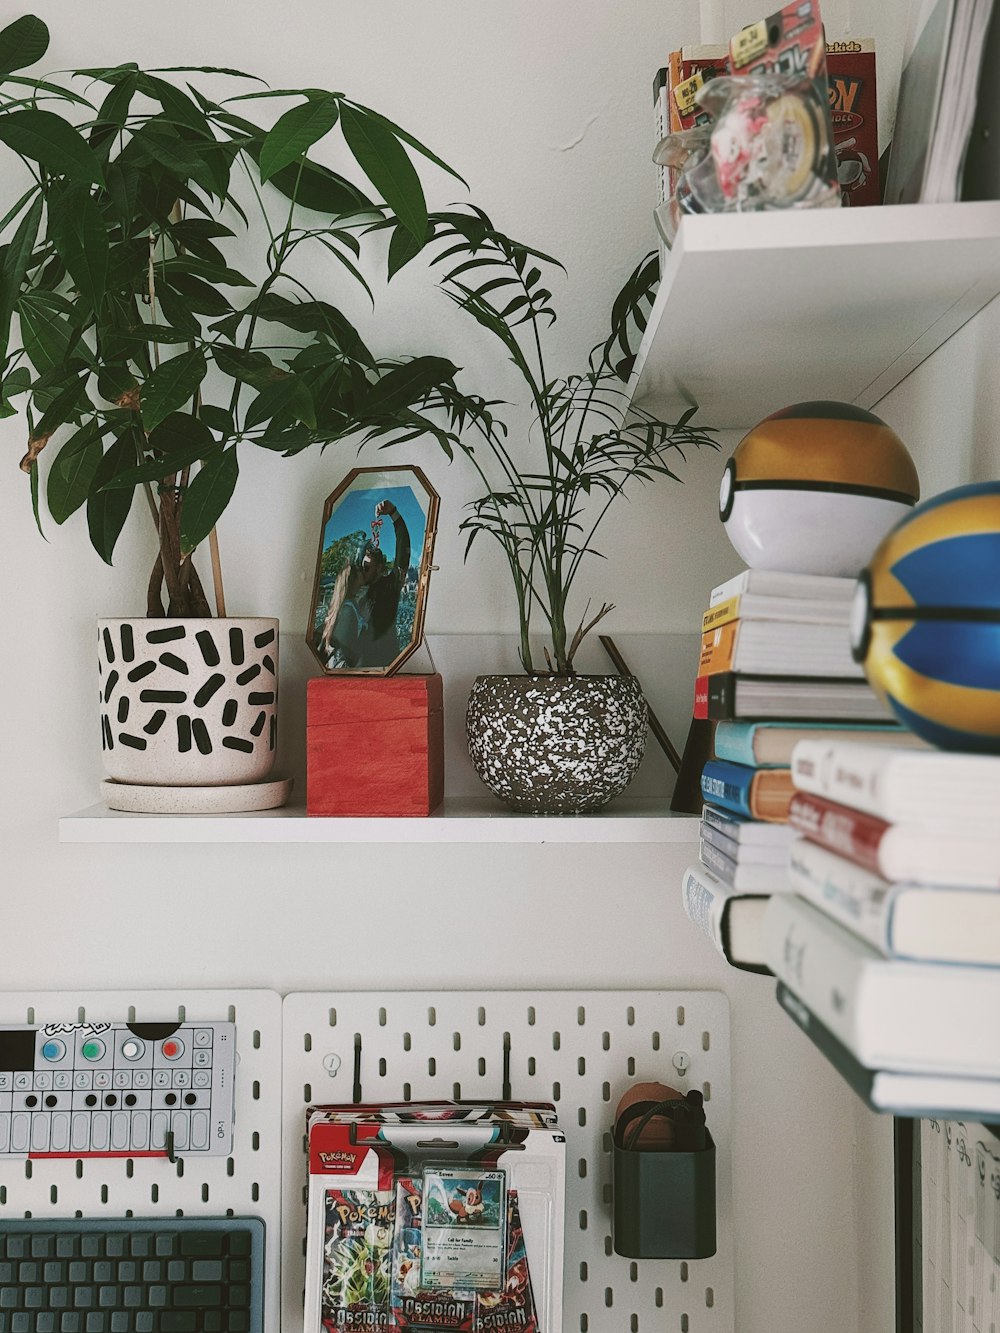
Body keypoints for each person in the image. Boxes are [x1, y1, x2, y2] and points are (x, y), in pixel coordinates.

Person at [318, 499, 411, 669]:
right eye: (362, 565)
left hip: (384, 664)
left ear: (380, 568)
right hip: (356, 667)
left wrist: (394, 513)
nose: (362, 569)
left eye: (367, 567)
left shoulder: (390, 586)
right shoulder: (356, 590)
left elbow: (403, 551)